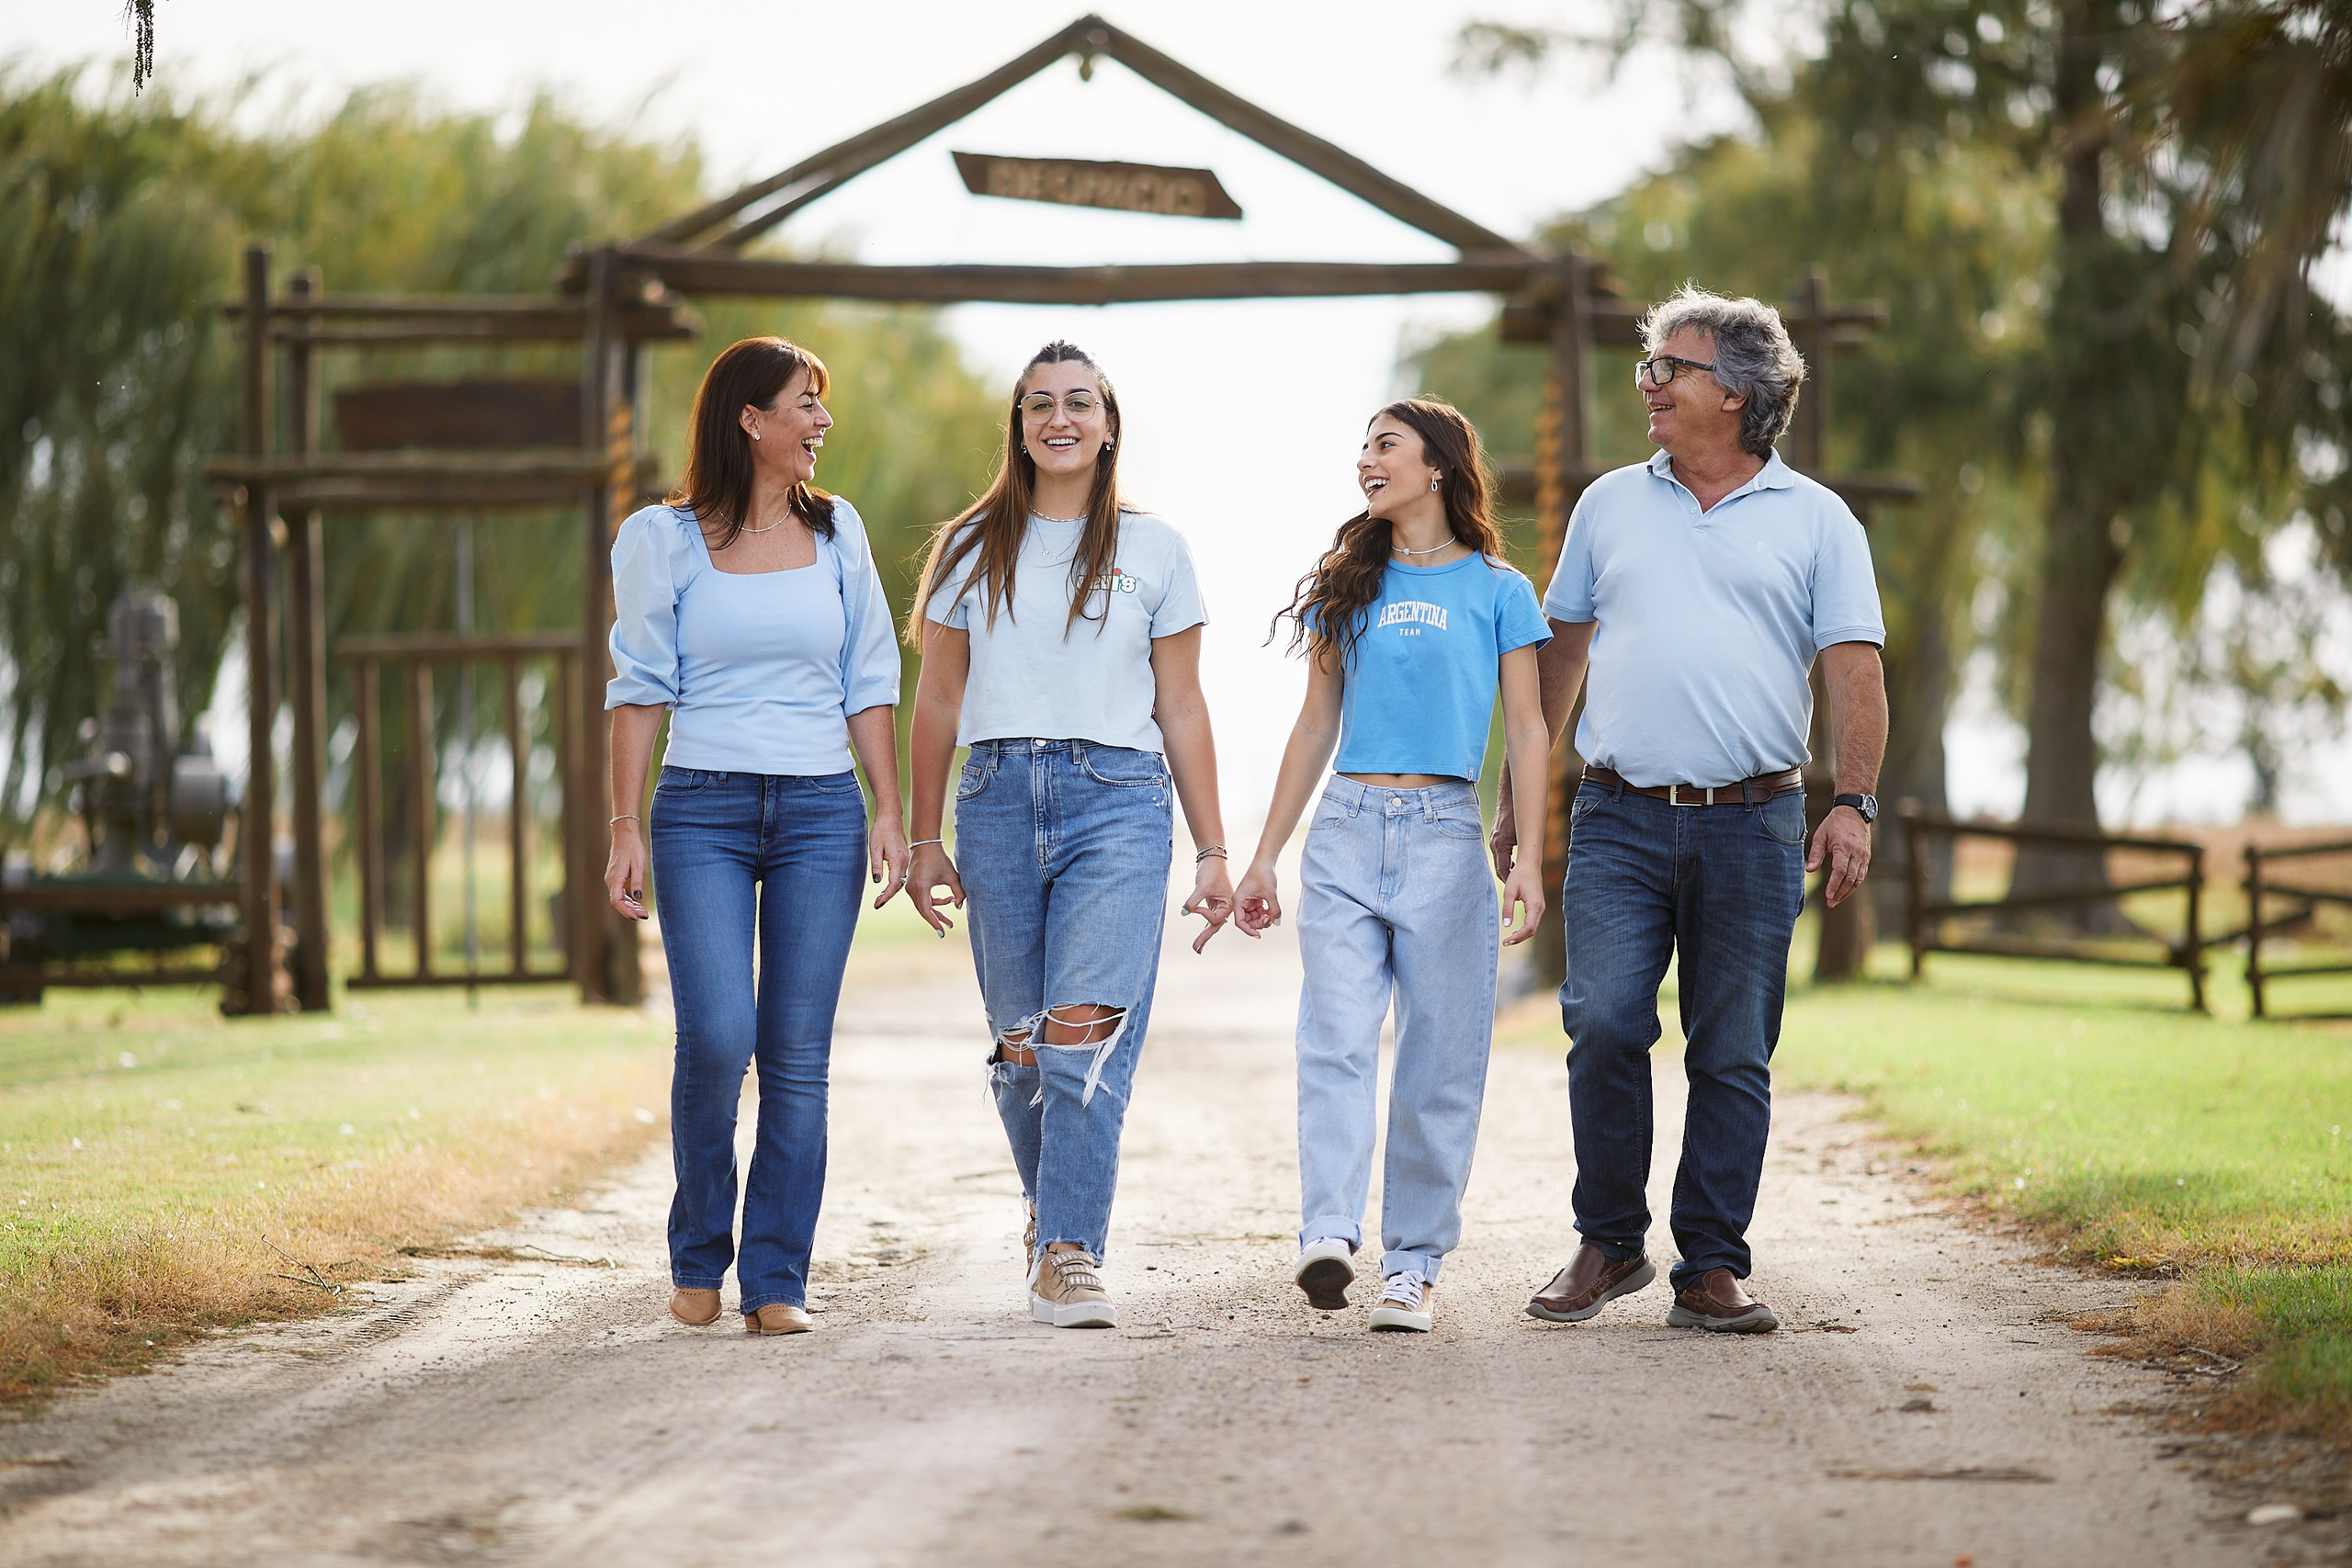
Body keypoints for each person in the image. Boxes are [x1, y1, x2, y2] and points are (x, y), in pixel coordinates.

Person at [1496, 284, 1888, 1335]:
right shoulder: (1608, 504)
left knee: (1730, 1048)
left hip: (1754, 824)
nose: (1650, 385)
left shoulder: (1818, 521)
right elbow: (1559, 655)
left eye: (1672, 368)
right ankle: (1609, 1242)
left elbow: (1856, 677)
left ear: (1740, 394)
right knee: (1605, 1021)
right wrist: (1517, 797)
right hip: (1618, 814)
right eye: (1646, 367)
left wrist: (1852, 805)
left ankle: (1711, 1261)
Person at [905, 340, 1234, 1330]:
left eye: (1079, 402)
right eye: (1040, 402)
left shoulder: (1156, 550)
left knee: (1083, 1035)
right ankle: (1051, 1213)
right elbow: (937, 702)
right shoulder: (968, 547)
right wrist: (924, 840)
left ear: (1108, 424)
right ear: (1018, 424)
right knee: (1020, 1050)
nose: (1060, 417)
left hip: (1120, 799)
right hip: (998, 795)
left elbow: (1181, 706)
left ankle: (1067, 1249)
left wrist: (1214, 850)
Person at [604, 336, 909, 1337]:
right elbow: (639, 689)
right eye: (804, 405)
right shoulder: (665, 537)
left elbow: (869, 678)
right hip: (702, 808)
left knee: (795, 1052)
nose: (822, 423)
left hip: (822, 809)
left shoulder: (840, 532)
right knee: (718, 1037)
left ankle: (776, 1280)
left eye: (820, 406)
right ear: (750, 419)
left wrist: (891, 808)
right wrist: (625, 825)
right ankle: (698, 1252)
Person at [1234, 399, 1551, 1334]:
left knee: (1439, 1059)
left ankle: (1412, 1265)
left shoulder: (1499, 590)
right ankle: (1328, 1233)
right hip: (1345, 827)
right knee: (1333, 1035)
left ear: (1438, 466)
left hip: (1447, 836)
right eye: (1362, 447)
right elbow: (1313, 725)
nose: (1365, 461)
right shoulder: (1349, 583)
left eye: (1384, 445)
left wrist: (1529, 857)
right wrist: (1263, 855)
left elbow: (1529, 731)